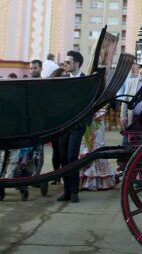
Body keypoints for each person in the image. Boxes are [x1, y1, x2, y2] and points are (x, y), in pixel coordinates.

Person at [56, 50, 88, 203]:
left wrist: (83, 122)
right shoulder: (62, 79)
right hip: (63, 125)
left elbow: (89, 103)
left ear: (76, 63)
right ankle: (66, 191)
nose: (65, 64)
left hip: (77, 125)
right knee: (63, 158)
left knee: (71, 157)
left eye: (68, 62)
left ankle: (75, 192)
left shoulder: (85, 80)